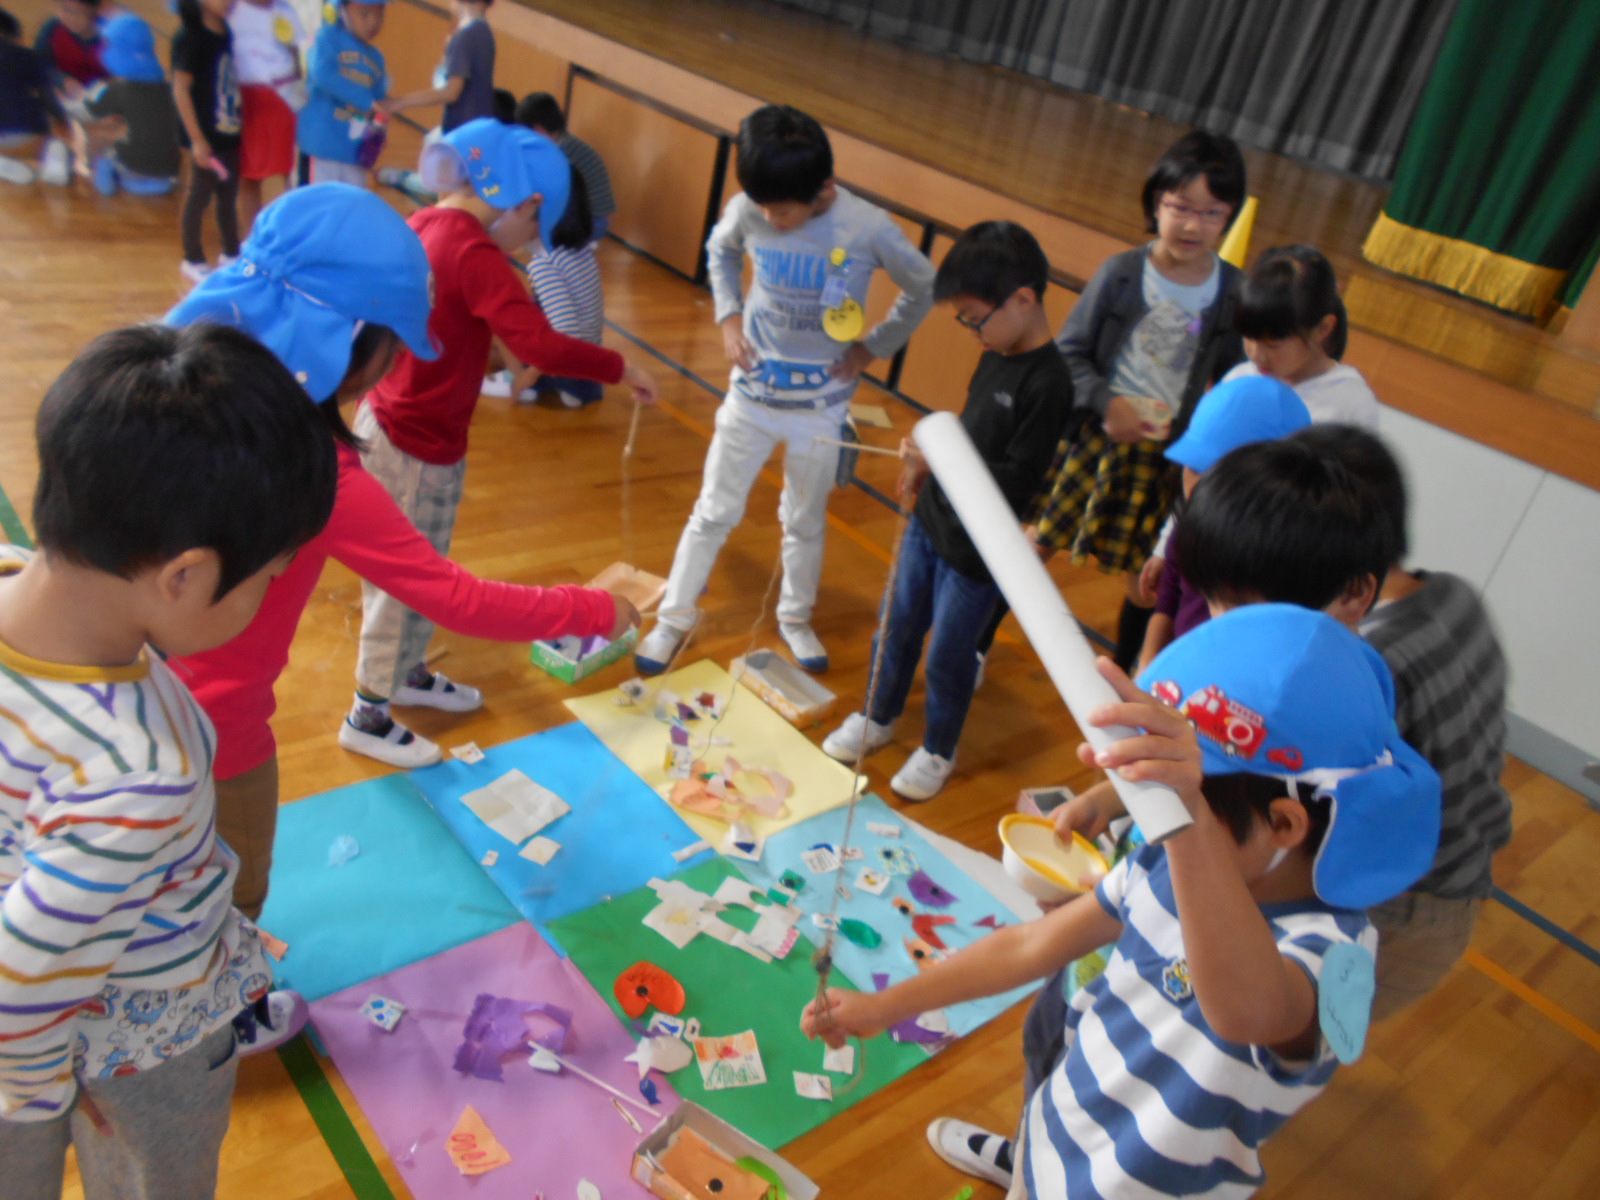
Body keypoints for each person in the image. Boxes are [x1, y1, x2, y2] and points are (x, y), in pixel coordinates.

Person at [806, 604, 1442, 1198]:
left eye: (1177, 810)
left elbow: (1247, 1012)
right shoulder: (1163, 862)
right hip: (1057, 1130)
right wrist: (884, 1007)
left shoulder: (1334, 954)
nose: (1153, 825)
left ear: (1283, 825)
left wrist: (1187, 816)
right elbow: (1030, 945)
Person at [167, 183, 640, 914]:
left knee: (154, 885)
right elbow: (457, 597)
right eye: (393, 345)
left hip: (124, 701)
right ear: (347, 344)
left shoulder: (172, 388)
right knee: (233, 889)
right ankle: (223, 1011)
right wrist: (596, 608)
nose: (396, 365)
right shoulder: (318, 474)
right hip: (216, 733)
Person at [0, 322, 339, 1198]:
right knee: (156, 1176)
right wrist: (38, 1100)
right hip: (139, 1034)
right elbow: (18, 1002)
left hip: (64, 969)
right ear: (184, 575)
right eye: (269, 575)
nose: (267, 597)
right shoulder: (135, 776)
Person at [346, 119, 658, 767]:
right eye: (531, 235)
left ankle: (404, 674)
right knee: (405, 583)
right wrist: (619, 367)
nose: (526, 250)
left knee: (421, 572)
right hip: (412, 446)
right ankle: (368, 714)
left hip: (408, 432)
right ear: (527, 202)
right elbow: (538, 345)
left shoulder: (424, 223)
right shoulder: (473, 253)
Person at [1176, 425, 1512, 1019]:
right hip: (1456, 860)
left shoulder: (1349, 678)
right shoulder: (1451, 593)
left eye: (1249, 614)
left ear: (1355, 589)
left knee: (1288, 1030)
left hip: (1402, 893)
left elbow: (1250, 791)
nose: (1224, 632)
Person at [636, 104, 935, 676]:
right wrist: (727, 318)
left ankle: (796, 616)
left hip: (820, 409)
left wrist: (874, 346)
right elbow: (720, 251)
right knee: (713, 511)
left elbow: (923, 285)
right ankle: (673, 617)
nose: (769, 217)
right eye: (761, 205)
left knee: (804, 518)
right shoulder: (749, 209)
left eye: (783, 209)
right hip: (750, 398)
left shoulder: (867, 226)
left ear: (826, 188)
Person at [979, 131, 1247, 676]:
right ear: (1156, 204)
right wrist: (1106, 402)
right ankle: (975, 643)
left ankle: (1126, 676)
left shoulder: (1233, 292)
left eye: (1211, 212)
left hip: (1166, 459)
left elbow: (1232, 378)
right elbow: (1068, 355)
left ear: (1230, 217)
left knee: (1147, 584)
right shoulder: (1122, 273)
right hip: (1092, 440)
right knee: (1033, 549)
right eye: (1180, 208)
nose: (1192, 224)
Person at [819, 222, 1071, 800]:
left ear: (1024, 300)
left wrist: (940, 459)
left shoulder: (1049, 383)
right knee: (899, 627)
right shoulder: (996, 351)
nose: (971, 331)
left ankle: (937, 749)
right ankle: (879, 717)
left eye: (974, 317)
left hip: (979, 551)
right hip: (931, 523)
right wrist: (924, 459)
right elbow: (970, 431)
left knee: (950, 658)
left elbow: (1018, 481)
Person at [1136, 373, 1309, 671]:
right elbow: (1167, 603)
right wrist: (1147, 668)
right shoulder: (1189, 525)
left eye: (1214, 476)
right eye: (1191, 466)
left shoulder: (1287, 562)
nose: (1193, 485)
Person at [484, 166, 607, 406]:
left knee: (497, 319)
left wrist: (526, 377)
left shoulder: (544, 265)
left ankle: (532, 384)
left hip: (567, 369)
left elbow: (565, 335)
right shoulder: (578, 249)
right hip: (589, 368)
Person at [1224, 245, 1379, 427]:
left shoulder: (1349, 404)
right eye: (1249, 337)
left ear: (1323, 329)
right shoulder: (1239, 379)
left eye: (1273, 344)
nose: (1256, 354)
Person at [172, 0, 244, 284]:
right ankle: (192, 257)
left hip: (228, 130)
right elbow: (180, 89)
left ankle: (231, 252)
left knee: (228, 195)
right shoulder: (190, 37)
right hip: (205, 137)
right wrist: (197, 140)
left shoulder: (225, 30)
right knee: (198, 196)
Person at [82, 14, 182, 197]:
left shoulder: (116, 88)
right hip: (169, 174)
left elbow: (88, 109)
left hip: (135, 172)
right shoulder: (168, 86)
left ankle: (101, 186)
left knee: (98, 138)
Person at [227, 0, 304, 231]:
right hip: (245, 99)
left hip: (281, 98)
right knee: (249, 174)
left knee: (281, 171)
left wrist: (296, 94)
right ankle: (252, 238)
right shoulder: (231, 9)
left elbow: (294, 55)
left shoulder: (284, 11)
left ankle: (283, 234)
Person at [297, 0, 387, 186]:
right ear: (341, 10)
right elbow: (322, 74)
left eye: (379, 14)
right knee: (316, 206)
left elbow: (380, 101)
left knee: (349, 207)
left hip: (354, 153)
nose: (373, 22)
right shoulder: (327, 38)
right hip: (321, 148)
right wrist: (366, 101)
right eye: (364, 14)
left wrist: (380, 129)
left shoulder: (376, 58)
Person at [381, 0, 495, 133]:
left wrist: (399, 102)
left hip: (461, 132)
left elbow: (451, 92)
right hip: (478, 130)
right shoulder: (485, 32)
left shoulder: (467, 35)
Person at [514, 91, 615, 242]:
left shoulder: (562, 151)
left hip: (591, 222)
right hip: (588, 218)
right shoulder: (564, 143)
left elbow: (546, 193)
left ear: (538, 129)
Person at [31, 0, 105, 183]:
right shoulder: (52, 29)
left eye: (78, 12)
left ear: (93, 12)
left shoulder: (109, 33)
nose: (70, 17)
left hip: (102, 102)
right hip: (64, 99)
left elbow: (123, 74)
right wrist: (61, 80)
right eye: (65, 10)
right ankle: (61, 150)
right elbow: (40, 64)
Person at [0, 7, 63, 185]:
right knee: (56, 141)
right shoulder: (28, 56)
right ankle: (51, 157)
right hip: (29, 136)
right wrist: (62, 120)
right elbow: (47, 97)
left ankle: (5, 165)